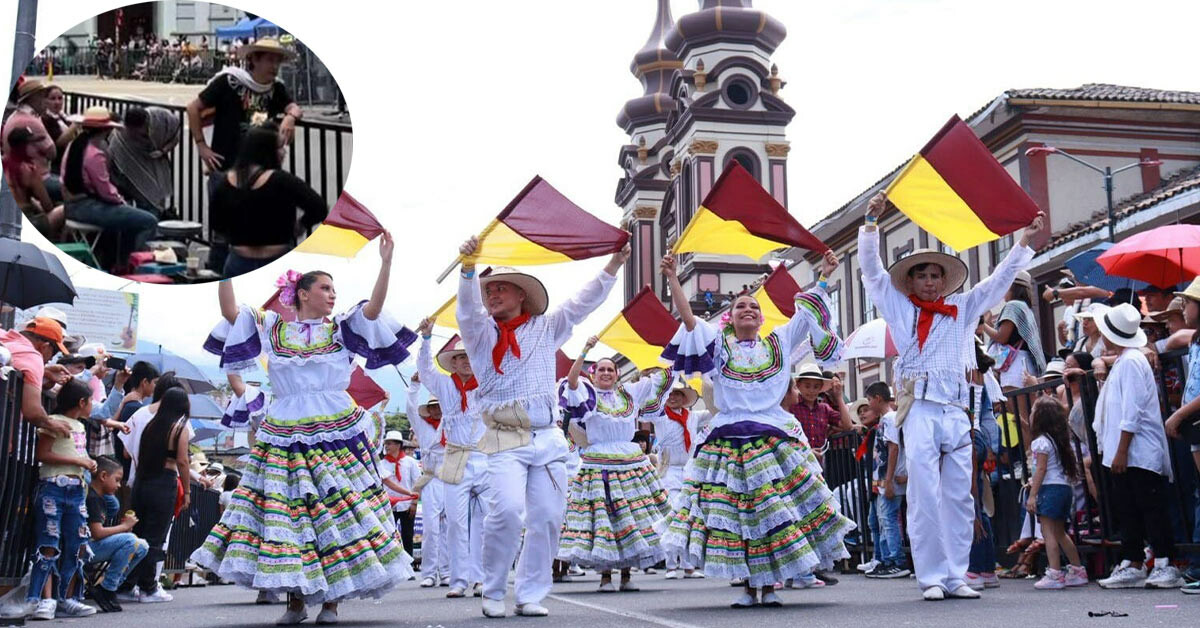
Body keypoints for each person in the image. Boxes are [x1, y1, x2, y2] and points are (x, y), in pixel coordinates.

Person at [193, 232, 415, 625]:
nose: (332, 294)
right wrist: (224, 262)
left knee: (338, 511)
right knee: (290, 514)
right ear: (302, 293)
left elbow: (375, 310)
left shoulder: (342, 328)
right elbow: (231, 311)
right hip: (285, 430)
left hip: (336, 429)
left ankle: (332, 601)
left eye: (334, 288)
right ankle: (296, 599)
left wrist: (387, 263)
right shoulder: (274, 329)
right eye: (325, 287)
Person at [858, 190, 1044, 601]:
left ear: (944, 280)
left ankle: (958, 573)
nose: (929, 281)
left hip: (957, 411)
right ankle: (931, 577)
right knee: (925, 491)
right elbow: (871, 272)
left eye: (935, 275)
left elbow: (997, 283)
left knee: (961, 493)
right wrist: (870, 225)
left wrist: (1024, 242)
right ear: (910, 281)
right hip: (920, 408)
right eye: (921, 275)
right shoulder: (899, 307)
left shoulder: (963, 307)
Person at [658, 249, 854, 608]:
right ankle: (750, 586)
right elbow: (689, 321)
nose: (748, 310)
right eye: (740, 307)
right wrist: (672, 278)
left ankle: (771, 583)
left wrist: (824, 274)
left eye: (753, 307)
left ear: (762, 318)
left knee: (775, 512)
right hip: (729, 439)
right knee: (738, 514)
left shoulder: (778, 343)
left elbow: (805, 313)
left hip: (772, 436)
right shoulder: (719, 349)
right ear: (729, 319)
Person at [454, 235, 630, 618]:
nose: (494, 294)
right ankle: (494, 589)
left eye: (502, 287)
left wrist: (613, 266)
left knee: (548, 516)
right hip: (503, 437)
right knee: (506, 513)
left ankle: (530, 593)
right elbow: (466, 311)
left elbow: (583, 303)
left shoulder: (547, 327)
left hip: (548, 437)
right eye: (490, 290)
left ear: (522, 295)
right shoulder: (481, 333)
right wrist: (468, 268)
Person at [558, 338, 673, 592]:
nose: (607, 373)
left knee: (630, 516)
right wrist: (585, 350)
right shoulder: (587, 395)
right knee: (605, 517)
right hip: (599, 462)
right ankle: (605, 577)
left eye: (611, 369)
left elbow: (664, 375)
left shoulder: (630, 392)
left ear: (618, 374)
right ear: (594, 374)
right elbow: (573, 381)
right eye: (602, 369)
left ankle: (626, 576)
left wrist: (670, 346)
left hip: (630, 461)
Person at [1093, 303, 1184, 589]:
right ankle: (1133, 560)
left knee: (1149, 507)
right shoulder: (1125, 360)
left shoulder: (1131, 361)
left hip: (1137, 452)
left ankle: (1164, 561)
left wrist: (1121, 449)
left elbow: (1131, 411)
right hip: (1127, 451)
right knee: (1130, 508)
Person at [413, 325, 490, 599]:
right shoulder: (445, 384)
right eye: (460, 357)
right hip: (455, 455)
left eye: (470, 355)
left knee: (484, 521)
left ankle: (481, 579)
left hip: (484, 456)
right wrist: (426, 339)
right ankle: (458, 580)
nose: (466, 361)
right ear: (453, 362)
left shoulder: (488, 382)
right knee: (456, 522)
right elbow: (424, 370)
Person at [20, 379, 99, 620]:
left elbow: (72, 452)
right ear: (82, 402)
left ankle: (65, 597)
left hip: (75, 489)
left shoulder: (79, 425)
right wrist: (80, 462)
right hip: (54, 487)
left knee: (76, 545)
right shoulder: (55, 421)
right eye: (91, 400)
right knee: (49, 544)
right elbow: (43, 454)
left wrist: (87, 462)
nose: (93, 405)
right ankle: (41, 599)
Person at [208, 121, 327, 276]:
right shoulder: (281, 181)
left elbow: (217, 223)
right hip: (278, 260)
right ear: (266, 151)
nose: (284, 152)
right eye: (279, 148)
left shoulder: (225, 183)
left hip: (238, 261)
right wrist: (301, 225)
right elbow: (319, 207)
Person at [60, 106, 159, 265]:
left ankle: (120, 262)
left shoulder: (75, 145)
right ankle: (136, 265)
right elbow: (106, 191)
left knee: (130, 219)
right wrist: (122, 202)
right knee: (149, 220)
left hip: (72, 205)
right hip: (87, 207)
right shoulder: (95, 154)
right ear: (106, 129)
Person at [645, 378, 709, 580]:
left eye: (677, 394)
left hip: (689, 470)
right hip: (669, 470)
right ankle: (671, 564)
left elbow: (716, 411)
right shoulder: (661, 416)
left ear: (684, 398)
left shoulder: (693, 417)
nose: (673, 397)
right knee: (673, 514)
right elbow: (646, 406)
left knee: (690, 516)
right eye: (670, 394)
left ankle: (689, 565)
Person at [1024, 397, 1087, 590]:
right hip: (1063, 488)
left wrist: (1033, 494)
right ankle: (1077, 569)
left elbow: (1041, 470)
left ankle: (1055, 572)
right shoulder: (1058, 441)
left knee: (1047, 531)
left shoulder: (1040, 443)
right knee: (1060, 532)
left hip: (1049, 489)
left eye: (1034, 412)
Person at [1162, 277, 1200, 594]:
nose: (1183, 308)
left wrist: (1179, 414)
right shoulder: (1195, 341)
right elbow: (1177, 339)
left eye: (1188, 302)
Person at [86, 455, 149, 612]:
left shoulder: (101, 498)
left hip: (93, 546)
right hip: (85, 548)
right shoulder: (92, 497)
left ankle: (111, 586)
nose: (119, 485)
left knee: (142, 546)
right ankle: (107, 588)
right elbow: (97, 533)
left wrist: (123, 527)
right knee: (130, 540)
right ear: (103, 476)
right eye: (117, 480)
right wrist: (124, 527)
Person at [863, 382, 910, 580]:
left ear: (878, 398)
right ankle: (886, 560)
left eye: (869, 400)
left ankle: (895, 561)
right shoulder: (885, 420)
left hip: (890, 477)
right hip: (883, 478)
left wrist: (889, 479)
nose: (868, 404)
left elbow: (894, 448)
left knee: (889, 519)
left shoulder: (890, 419)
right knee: (884, 519)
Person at [0, 317, 74, 439]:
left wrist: (43, 373)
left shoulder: (4, 338)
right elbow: (33, 412)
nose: (51, 359)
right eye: (54, 351)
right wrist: (51, 423)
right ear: (44, 346)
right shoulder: (32, 356)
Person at [406, 387, 449, 589]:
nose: (437, 410)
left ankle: (448, 571)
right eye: (433, 407)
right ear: (428, 410)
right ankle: (429, 572)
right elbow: (410, 409)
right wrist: (414, 387)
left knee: (450, 527)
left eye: (440, 406)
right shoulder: (422, 427)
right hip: (431, 479)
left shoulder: (452, 422)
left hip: (451, 477)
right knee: (431, 529)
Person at [108, 105, 180, 216]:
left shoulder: (162, 119)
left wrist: (163, 150)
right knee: (138, 199)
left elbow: (175, 136)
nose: (135, 135)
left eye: (138, 132)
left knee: (154, 198)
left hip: (155, 163)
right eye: (131, 132)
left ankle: (153, 223)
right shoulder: (120, 136)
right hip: (126, 168)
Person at [2, 79, 61, 202]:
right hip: (41, 176)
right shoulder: (31, 120)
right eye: (43, 96)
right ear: (34, 98)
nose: (45, 101)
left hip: (20, 173)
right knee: (72, 190)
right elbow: (52, 153)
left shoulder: (14, 116)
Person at [2, 125, 64, 237]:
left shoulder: (4, 165)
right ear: (25, 147)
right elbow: (47, 205)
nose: (36, 147)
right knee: (64, 210)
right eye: (32, 144)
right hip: (25, 223)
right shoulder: (28, 170)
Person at [791, 365, 854, 462]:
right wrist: (807, 451)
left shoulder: (824, 408)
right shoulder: (792, 406)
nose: (811, 390)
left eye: (816, 387)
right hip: (797, 460)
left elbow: (847, 426)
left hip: (818, 463)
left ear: (821, 388)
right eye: (807, 386)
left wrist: (839, 397)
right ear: (799, 385)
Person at [378, 431, 420, 557]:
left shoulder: (410, 462)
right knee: (388, 535)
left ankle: (410, 564)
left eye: (389, 443)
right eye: (386, 444)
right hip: (389, 504)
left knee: (407, 535)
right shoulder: (382, 464)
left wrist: (414, 503)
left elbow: (417, 483)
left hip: (407, 504)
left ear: (398, 445)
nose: (387, 446)